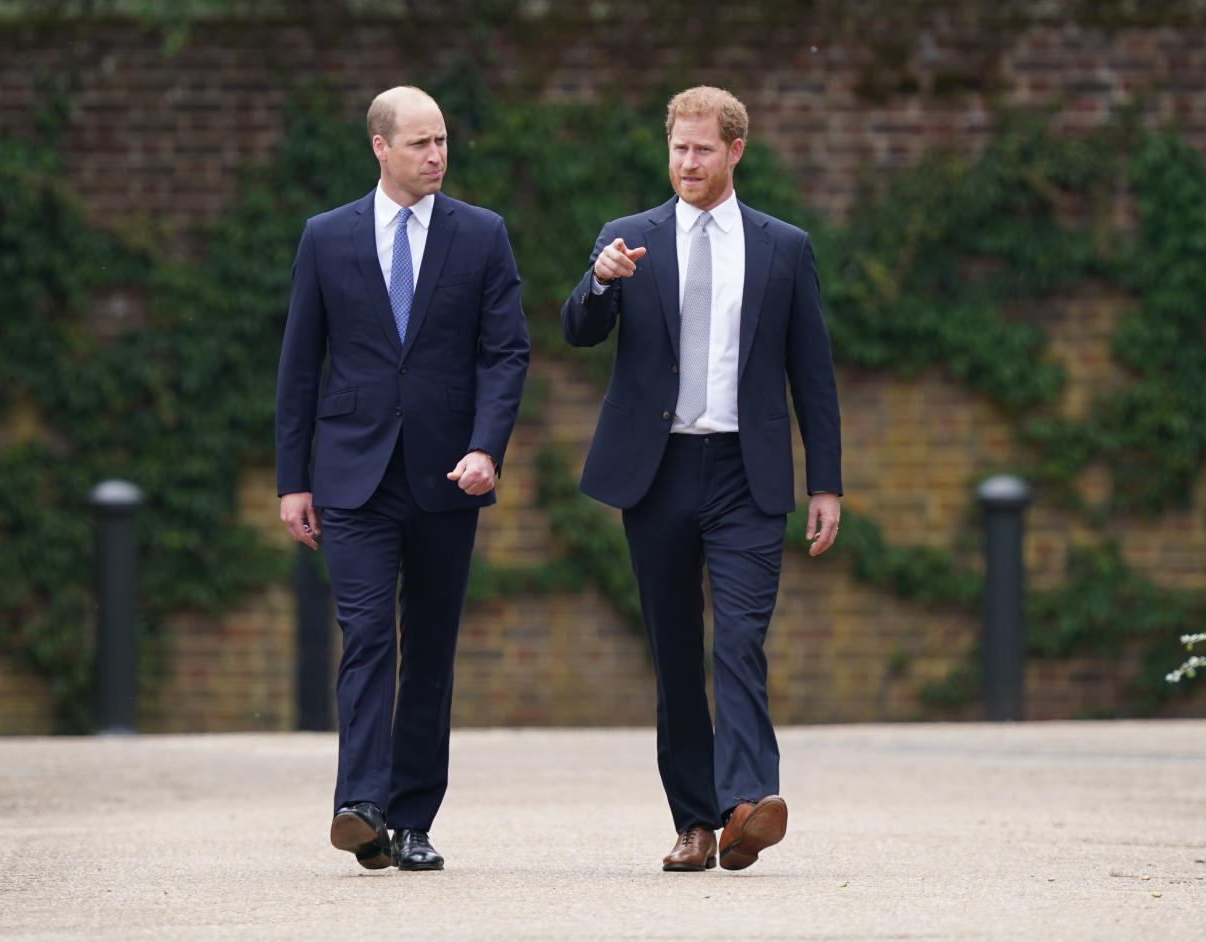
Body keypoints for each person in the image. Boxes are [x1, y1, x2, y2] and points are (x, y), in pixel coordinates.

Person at [561, 86, 842, 873]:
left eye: (704, 150)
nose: (688, 162)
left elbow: (812, 375)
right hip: (658, 473)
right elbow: (577, 330)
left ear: (735, 152)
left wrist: (826, 482)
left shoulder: (783, 246)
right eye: (679, 148)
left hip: (746, 473)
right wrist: (600, 280)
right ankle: (694, 820)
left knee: (742, 640)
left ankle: (750, 803)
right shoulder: (627, 239)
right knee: (677, 650)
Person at [276, 85, 529, 872]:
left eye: (443, 140)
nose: (437, 155)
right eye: (420, 142)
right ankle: (360, 804)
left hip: (448, 477)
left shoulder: (482, 235)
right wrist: (294, 480)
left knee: (430, 647)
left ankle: (412, 819)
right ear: (380, 148)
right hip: (352, 476)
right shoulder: (326, 238)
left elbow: (506, 353)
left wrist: (487, 448)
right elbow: (299, 366)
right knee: (368, 634)